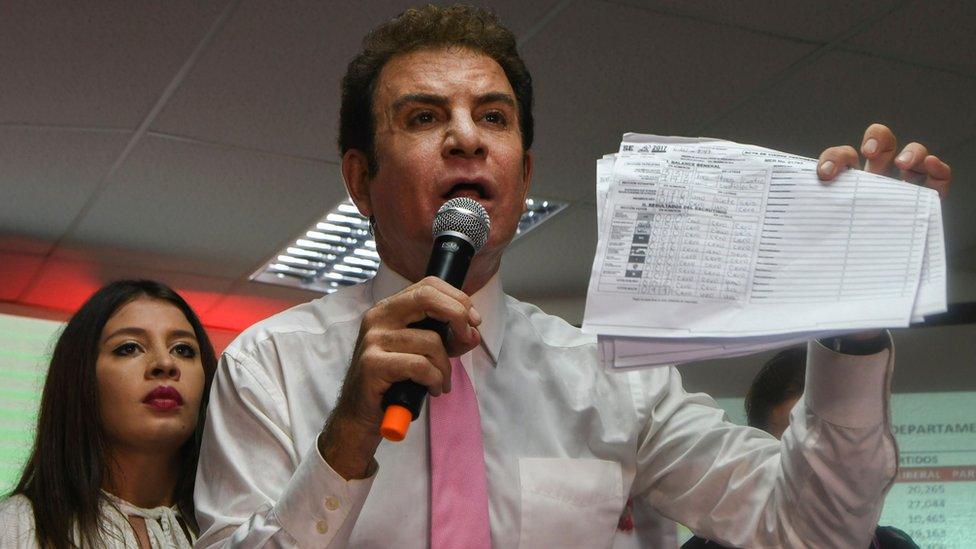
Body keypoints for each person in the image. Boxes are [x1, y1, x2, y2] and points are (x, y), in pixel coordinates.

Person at [193, 5, 953, 548]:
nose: (465, 136)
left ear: (522, 176)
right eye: (424, 118)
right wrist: (347, 438)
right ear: (360, 179)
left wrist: (854, 319)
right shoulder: (267, 364)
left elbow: (812, 529)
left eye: (493, 117)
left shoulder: (613, 376)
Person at [0, 280, 217, 548]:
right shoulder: (18, 526)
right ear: (81, 378)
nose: (165, 363)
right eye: (129, 347)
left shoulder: (234, 529)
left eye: (183, 349)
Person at [682, 348, 922, 548]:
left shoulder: (894, 546)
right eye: (796, 452)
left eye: (835, 447)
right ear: (759, 454)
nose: (819, 467)